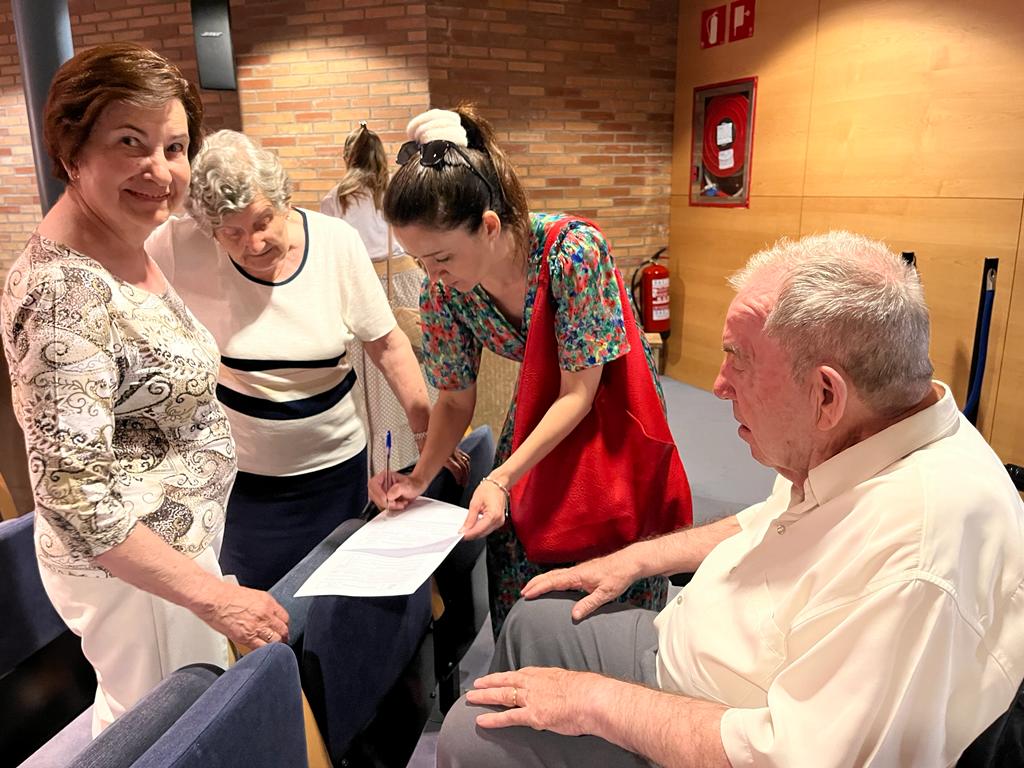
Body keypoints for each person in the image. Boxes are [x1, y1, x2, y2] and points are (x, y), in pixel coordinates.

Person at [435, 231, 1024, 767]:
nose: (717, 385)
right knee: (532, 618)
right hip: (695, 641)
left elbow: (788, 755)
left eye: (738, 360)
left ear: (825, 394)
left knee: (468, 734)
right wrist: (636, 559)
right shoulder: (876, 431)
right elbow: (767, 518)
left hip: (722, 723)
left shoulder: (920, 557)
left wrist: (591, 701)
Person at [0, 43, 288, 736]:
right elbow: (74, 496)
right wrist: (217, 600)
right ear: (73, 151)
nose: (160, 170)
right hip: (138, 579)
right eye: (130, 143)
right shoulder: (65, 293)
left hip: (166, 560)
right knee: (165, 732)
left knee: (148, 722)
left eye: (174, 145)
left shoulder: (124, 244)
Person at [368, 106, 691, 635]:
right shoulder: (443, 291)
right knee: (516, 541)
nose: (433, 275)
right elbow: (453, 398)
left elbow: (580, 393)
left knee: (614, 541)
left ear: (489, 226)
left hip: (604, 406)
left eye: (441, 257)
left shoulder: (572, 253)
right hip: (544, 398)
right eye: (420, 260)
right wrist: (418, 477)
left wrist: (501, 475)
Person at [146, 129, 433, 591]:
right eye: (231, 234)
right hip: (244, 485)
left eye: (263, 221)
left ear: (283, 201)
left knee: (335, 601)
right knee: (263, 609)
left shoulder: (335, 243)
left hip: (334, 470)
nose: (253, 243)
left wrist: (426, 433)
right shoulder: (179, 246)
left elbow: (388, 345)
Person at [320, 121, 435, 473]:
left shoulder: (334, 199)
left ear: (347, 156)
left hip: (359, 288)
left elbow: (331, 256)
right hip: (405, 282)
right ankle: (426, 448)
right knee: (417, 369)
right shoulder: (394, 194)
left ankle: (378, 463)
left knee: (372, 380)